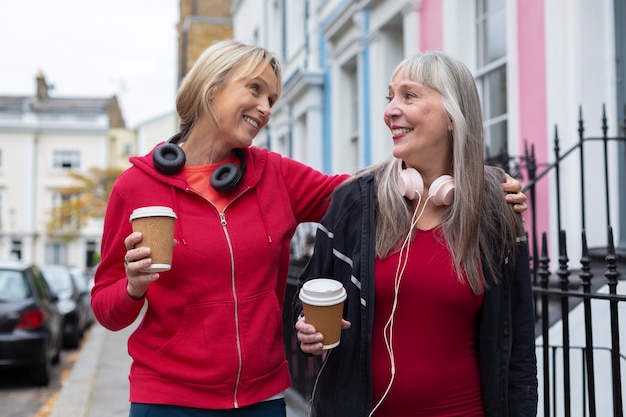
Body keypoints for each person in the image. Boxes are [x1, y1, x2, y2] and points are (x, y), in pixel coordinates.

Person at [91, 40, 528, 417]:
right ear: (212, 86)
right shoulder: (137, 186)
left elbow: (362, 192)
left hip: (261, 401)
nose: (265, 109)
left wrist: (482, 182)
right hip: (168, 400)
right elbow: (106, 309)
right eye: (255, 90)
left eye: (272, 100)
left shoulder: (274, 176)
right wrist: (132, 287)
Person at [293, 51, 538, 417]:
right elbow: (307, 298)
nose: (391, 110)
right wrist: (307, 329)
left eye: (409, 96)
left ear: (454, 115)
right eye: (390, 97)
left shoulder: (496, 207)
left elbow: (518, 345)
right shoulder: (355, 203)